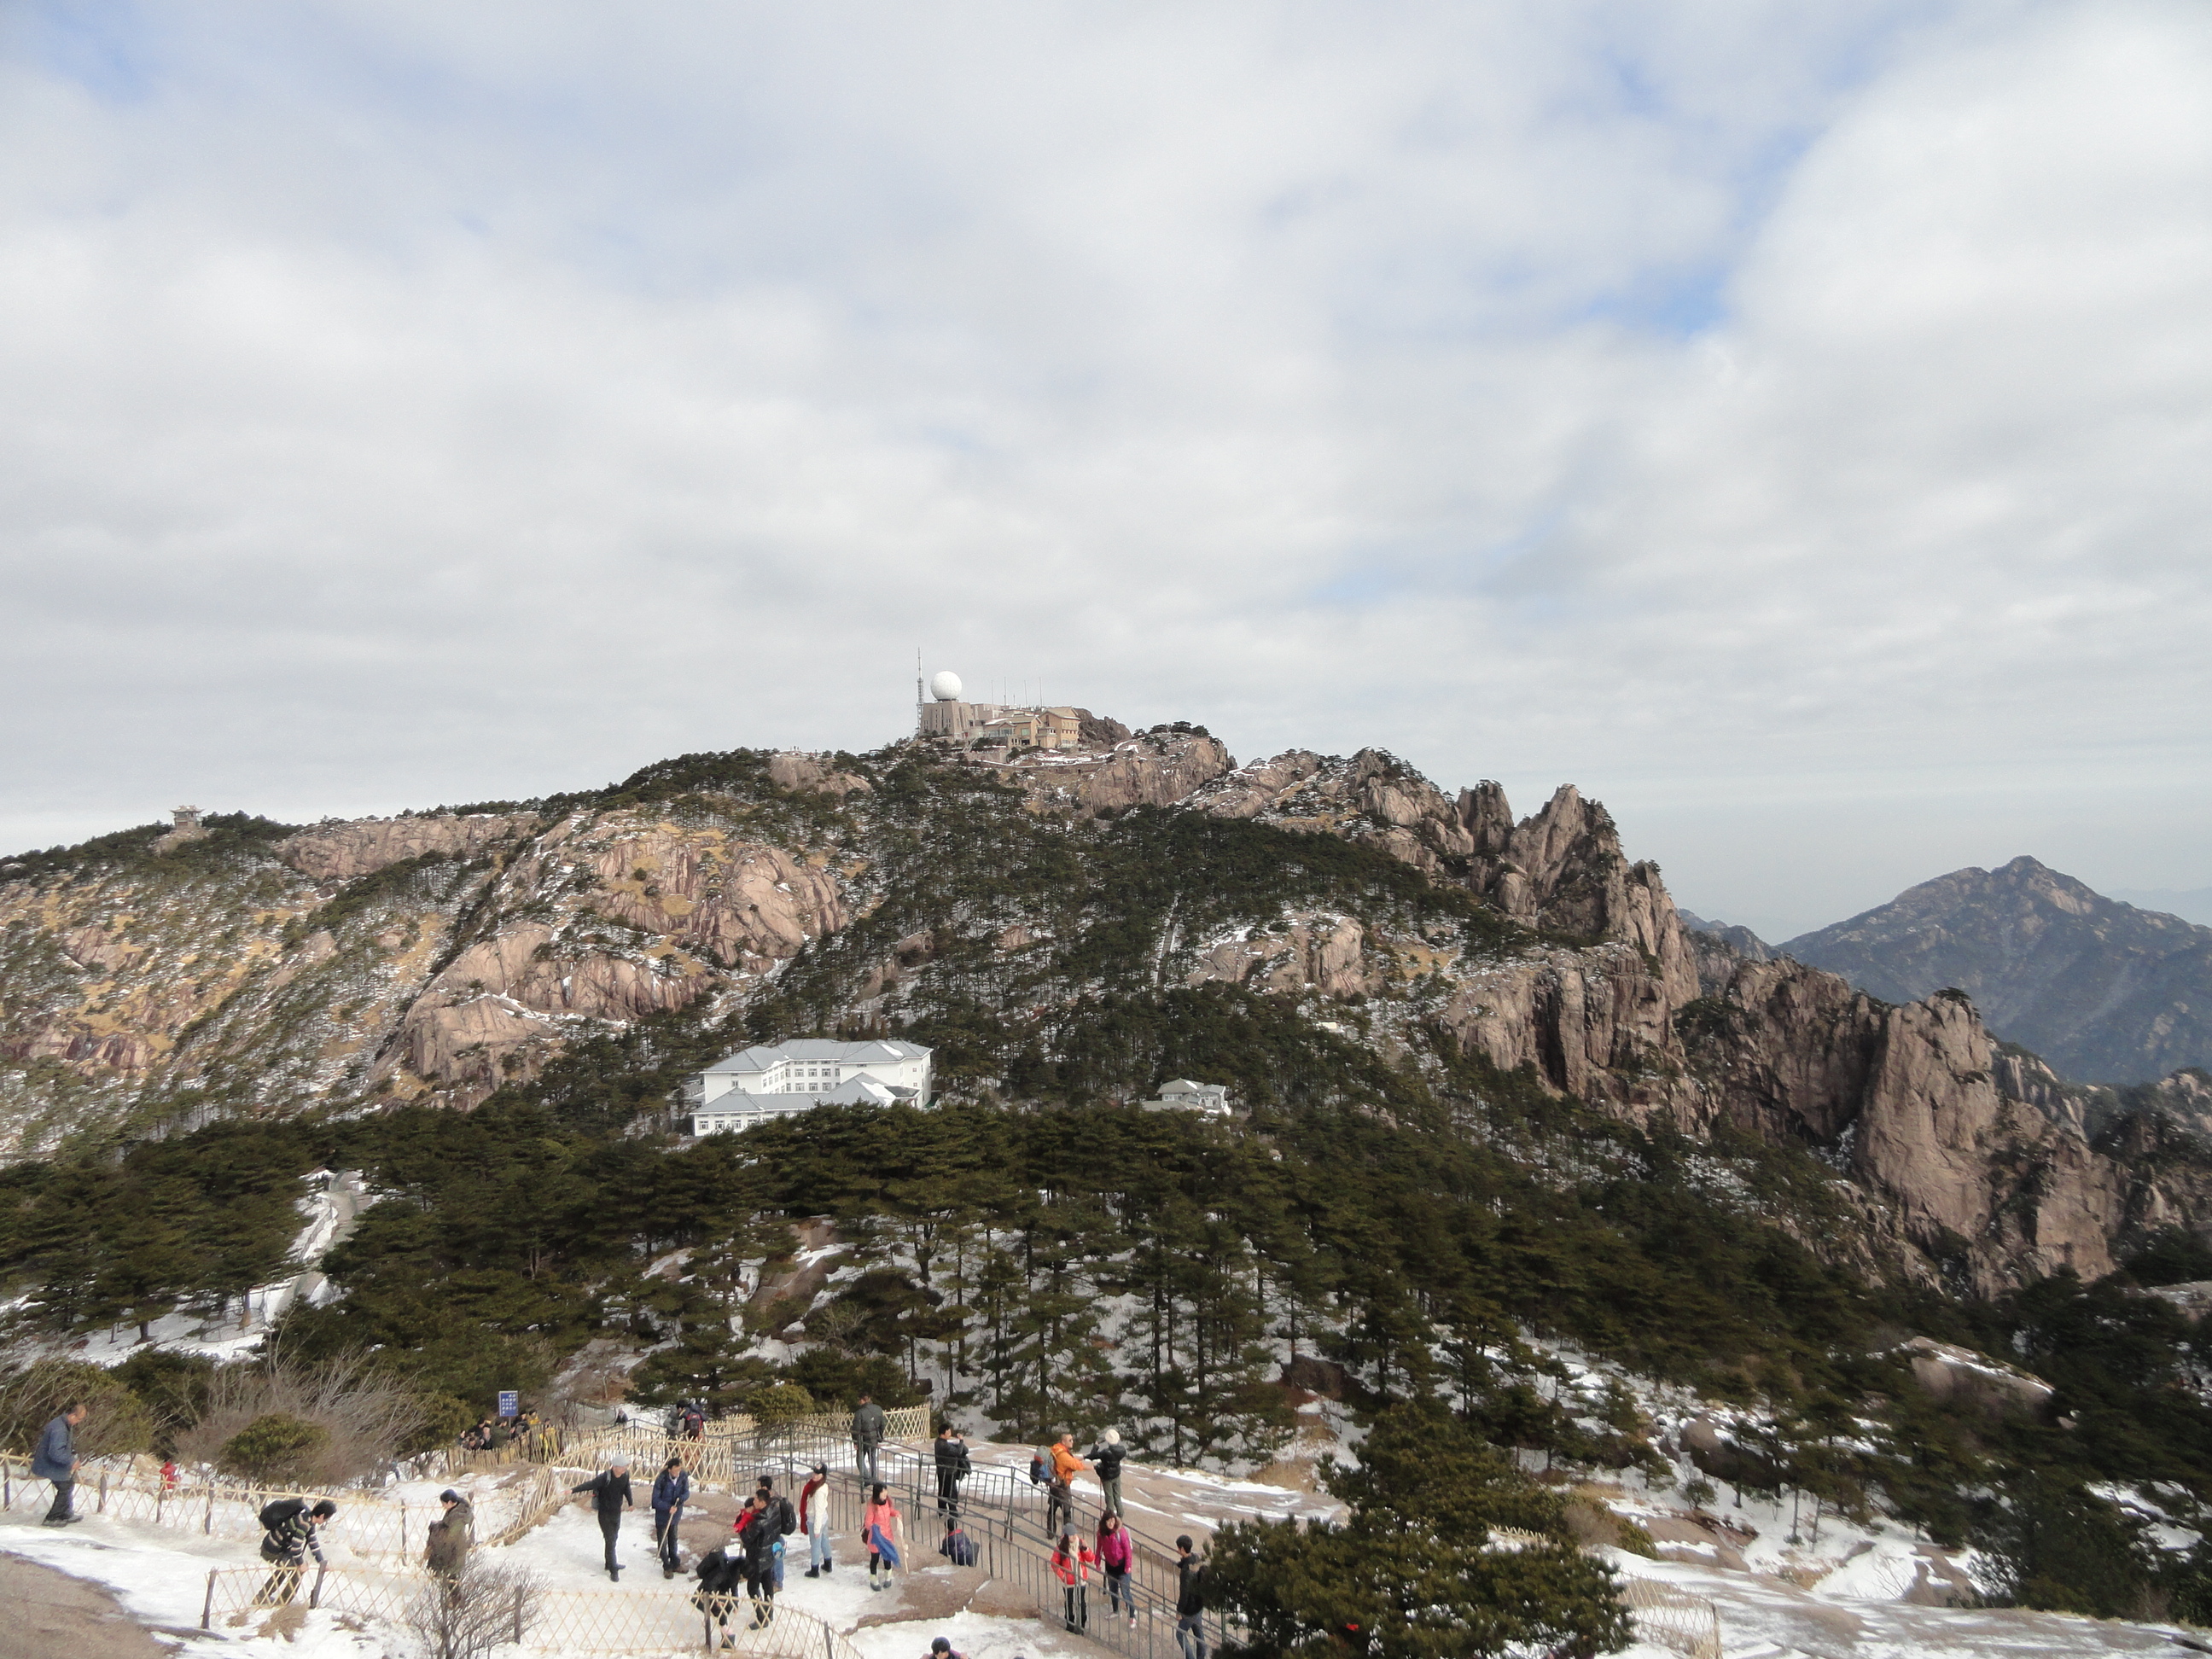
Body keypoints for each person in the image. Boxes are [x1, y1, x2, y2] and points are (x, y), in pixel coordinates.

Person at [255, 1498, 336, 1606]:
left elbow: (313, 1542)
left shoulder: (308, 1518)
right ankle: (270, 1599)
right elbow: (296, 1548)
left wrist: (321, 1562)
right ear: (322, 1516)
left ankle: (272, 1598)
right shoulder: (304, 1524)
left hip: (278, 1547)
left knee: (292, 1565)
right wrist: (300, 1564)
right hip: (271, 1549)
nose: (326, 1521)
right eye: (327, 1518)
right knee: (291, 1565)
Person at [571, 1459, 635, 1580]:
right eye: (622, 1467)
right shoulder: (605, 1477)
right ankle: (613, 1569)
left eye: (625, 1467)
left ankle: (609, 1563)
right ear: (615, 1467)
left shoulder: (625, 1476)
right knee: (610, 1539)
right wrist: (573, 1490)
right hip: (604, 1513)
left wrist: (630, 1503)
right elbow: (590, 1484)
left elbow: (627, 1489)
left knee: (613, 1538)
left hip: (616, 1512)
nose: (624, 1469)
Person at [32, 1400, 85, 1526]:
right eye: (78, 1419)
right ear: (72, 1415)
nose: (78, 1422)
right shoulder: (59, 1429)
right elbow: (55, 1452)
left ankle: (65, 1513)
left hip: (53, 1462)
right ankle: (52, 1518)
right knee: (65, 1487)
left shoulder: (64, 1424)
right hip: (49, 1463)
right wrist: (71, 1461)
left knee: (68, 1484)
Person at [692, 1543, 745, 1650]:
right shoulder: (723, 1572)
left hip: (717, 1593)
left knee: (724, 1611)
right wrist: (717, 1599)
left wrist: (735, 1604)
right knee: (719, 1612)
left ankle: (726, 1640)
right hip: (705, 1593)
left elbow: (734, 1590)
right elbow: (710, 1585)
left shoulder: (734, 1574)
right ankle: (725, 1640)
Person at [736, 1494, 779, 1627]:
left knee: (753, 1588)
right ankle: (769, 1612)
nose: (753, 1501)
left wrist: (742, 1530)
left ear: (762, 1502)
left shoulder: (758, 1521)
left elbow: (748, 1539)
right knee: (767, 1586)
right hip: (768, 1555)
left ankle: (762, 1617)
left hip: (757, 1558)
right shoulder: (772, 1513)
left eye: (756, 1499)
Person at [756, 1475, 796, 1592]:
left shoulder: (772, 1501)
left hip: (773, 1533)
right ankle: (774, 1579)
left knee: (777, 1556)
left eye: (758, 1486)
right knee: (774, 1555)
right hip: (773, 1533)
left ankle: (778, 1582)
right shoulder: (772, 1497)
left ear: (764, 1487)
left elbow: (771, 1519)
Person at [425, 1489, 474, 1584]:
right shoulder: (455, 1511)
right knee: (450, 1580)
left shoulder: (458, 1517)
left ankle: (456, 1599)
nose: (443, 1506)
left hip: (454, 1551)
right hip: (452, 1549)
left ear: (450, 1502)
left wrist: (436, 1528)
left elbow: (449, 1536)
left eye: (444, 1503)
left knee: (451, 1580)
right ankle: (453, 1598)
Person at [652, 1457, 690, 1577]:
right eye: (675, 1470)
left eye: (679, 1470)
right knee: (663, 1540)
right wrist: (668, 1507)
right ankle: (666, 1565)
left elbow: (686, 1492)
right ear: (669, 1470)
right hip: (663, 1515)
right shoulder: (661, 1479)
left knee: (673, 1539)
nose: (677, 1473)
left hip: (675, 1514)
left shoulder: (683, 1476)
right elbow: (655, 1500)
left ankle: (675, 1563)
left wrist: (680, 1501)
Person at [1053, 1525, 1096, 1633]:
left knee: (1081, 1601)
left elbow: (1091, 1558)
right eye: (1071, 1535)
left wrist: (1086, 1549)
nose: (1074, 1537)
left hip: (1080, 1579)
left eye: (1075, 1534)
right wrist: (1063, 1575)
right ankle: (1070, 1623)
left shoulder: (1080, 1544)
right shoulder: (1060, 1548)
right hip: (1068, 1581)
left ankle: (1082, 1624)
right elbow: (1054, 1564)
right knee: (1069, 1602)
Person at [1045, 1433, 1089, 1539]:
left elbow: (1071, 1461)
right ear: (1063, 1442)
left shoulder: (1056, 1449)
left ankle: (1050, 1533)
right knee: (1067, 1511)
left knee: (1052, 1508)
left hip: (1054, 1483)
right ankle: (1068, 1536)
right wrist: (1093, 1467)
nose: (1072, 1442)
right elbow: (1075, 1465)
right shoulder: (1063, 1455)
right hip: (1063, 1485)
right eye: (1070, 1440)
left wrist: (1083, 1457)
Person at [1097, 1512, 1134, 1626]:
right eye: (1109, 1521)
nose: (1111, 1523)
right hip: (1110, 1565)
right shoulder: (1101, 1534)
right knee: (1113, 1590)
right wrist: (1097, 1562)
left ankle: (1132, 1615)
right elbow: (1099, 1548)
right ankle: (1116, 1611)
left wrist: (1128, 1566)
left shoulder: (1120, 1532)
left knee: (1125, 1591)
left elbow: (1127, 1551)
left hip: (1122, 1566)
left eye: (1113, 1520)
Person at [863, 1482, 901, 1592]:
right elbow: (868, 1523)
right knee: (874, 1559)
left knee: (887, 1558)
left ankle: (888, 1577)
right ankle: (873, 1579)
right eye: (882, 1492)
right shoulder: (872, 1506)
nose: (885, 1493)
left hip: (887, 1535)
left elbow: (890, 1511)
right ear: (877, 1493)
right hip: (876, 1538)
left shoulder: (887, 1502)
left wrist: (896, 1513)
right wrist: (875, 1529)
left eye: (886, 1491)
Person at [1175, 1535, 1207, 1659]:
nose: (1177, 1550)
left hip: (1189, 1609)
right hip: (1199, 1604)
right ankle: (1201, 1656)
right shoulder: (1196, 1559)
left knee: (1180, 1634)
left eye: (1178, 1548)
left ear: (1182, 1549)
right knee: (1199, 1633)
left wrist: (1179, 1611)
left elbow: (1184, 1594)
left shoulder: (1186, 1572)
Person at [800, 1462, 834, 1577]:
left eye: (818, 1473)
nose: (815, 1475)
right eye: (814, 1472)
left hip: (815, 1519)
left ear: (823, 1475)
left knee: (815, 1544)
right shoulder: (821, 1486)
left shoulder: (818, 1490)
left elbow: (818, 1512)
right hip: (822, 1517)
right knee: (824, 1541)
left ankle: (814, 1569)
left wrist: (816, 1529)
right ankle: (828, 1562)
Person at [1086, 1429, 1126, 1518]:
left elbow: (1093, 1455)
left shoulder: (1106, 1452)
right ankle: (1120, 1514)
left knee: (1109, 1497)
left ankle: (1110, 1517)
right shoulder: (1122, 1450)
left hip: (1107, 1477)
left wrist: (1096, 1446)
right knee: (1117, 1496)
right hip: (1116, 1474)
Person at [934, 1423, 970, 1514]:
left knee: (943, 1491)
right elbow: (958, 1452)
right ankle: (953, 1512)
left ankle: (942, 1510)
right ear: (943, 1433)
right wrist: (961, 1441)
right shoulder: (943, 1445)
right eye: (948, 1432)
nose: (950, 1433)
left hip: (942, 1471)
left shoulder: (938, 1442)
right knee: (951, 1492)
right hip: (949, 1472)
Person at [853, 1393, 887, 1485]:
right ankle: (874, 1478)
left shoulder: (859, 1413)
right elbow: (883, 1424)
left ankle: (866, 1477)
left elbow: (856, 1428)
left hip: (863, 1438)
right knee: (872, 1458)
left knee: (860, 1459)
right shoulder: (878, 1409)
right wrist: (879, 1435)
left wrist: (855, 1441)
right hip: (874, 1437)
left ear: (862, 1400)